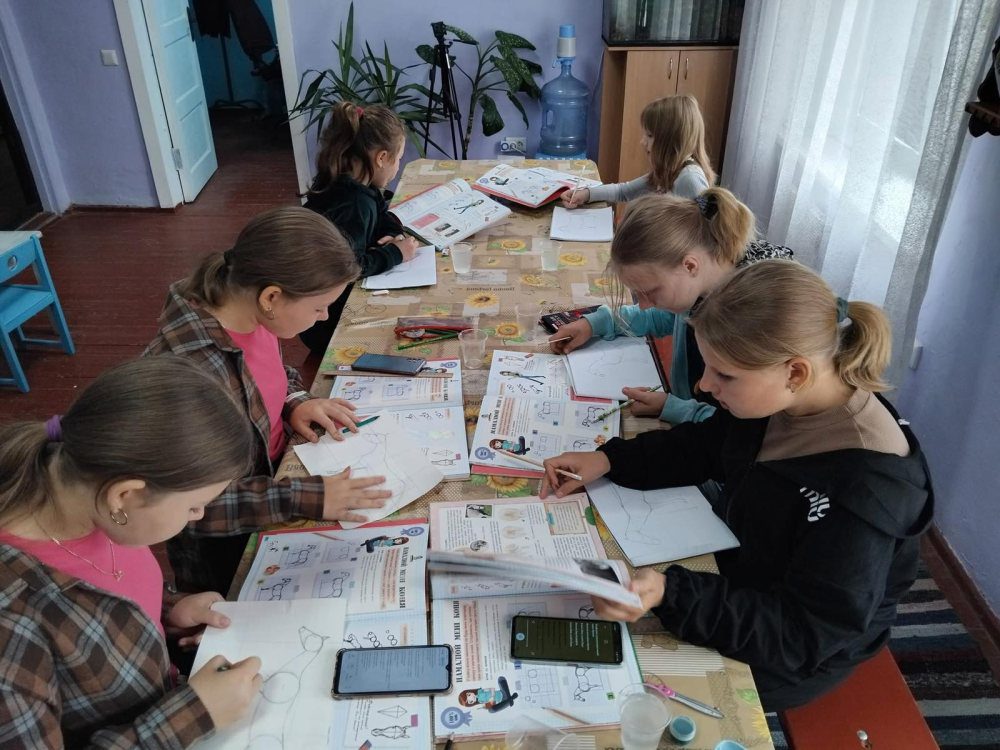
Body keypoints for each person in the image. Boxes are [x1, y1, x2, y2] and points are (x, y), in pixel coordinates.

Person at [541, 260, 934, 711]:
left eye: (724, 375)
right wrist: (610, 459)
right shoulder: (785, 397)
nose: (704, 386)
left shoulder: (863, 495)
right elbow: (711, 445)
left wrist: (672, 593)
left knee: (620, 683)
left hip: (795, 647)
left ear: (795, 373)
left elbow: (801, 636)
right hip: (746, 568)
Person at [0, 356, 265, 747]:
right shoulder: (12, 623)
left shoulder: (86, 501)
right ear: (125, 495)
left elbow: (104, 595)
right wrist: (193, 715)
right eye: (194, 506)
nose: (198, 515)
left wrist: (166, 611)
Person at [146, 206, 393, 594]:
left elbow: (271, 375)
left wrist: (295, 401)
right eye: (318, 307)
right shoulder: (191, 379)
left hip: (276, 477)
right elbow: (194, 507)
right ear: (272, 296)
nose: (324, 316)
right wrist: (307, 497)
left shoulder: (247, 315)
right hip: (228, 545)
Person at [551, 189, 793, 425]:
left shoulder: (753, 313)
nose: (643, 305)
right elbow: (662, 317)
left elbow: (742, 428)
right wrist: (596, 323)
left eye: (650, 292)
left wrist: (677, 409)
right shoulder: (703, 278)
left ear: (689, 266)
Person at [299, 101, 420, 354]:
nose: (398, 166)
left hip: (325, 302)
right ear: (381, 158)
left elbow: (381, 212)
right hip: (327, 321)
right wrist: (395, 254)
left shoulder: (355, 182)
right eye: (398, 159)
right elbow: (350, 267)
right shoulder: (353, 204)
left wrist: (393, 232)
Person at [561, 94, 714, 208]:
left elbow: (707, 233)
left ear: (671, 140)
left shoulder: (690, 180)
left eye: (650, 135)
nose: (643, 142)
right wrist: (586, 194)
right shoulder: (668, 171)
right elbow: (623, 191)